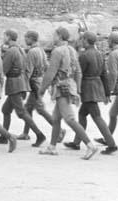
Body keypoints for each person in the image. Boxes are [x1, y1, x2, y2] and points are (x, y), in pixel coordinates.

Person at [38, 27, 97, 159]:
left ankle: (90, 145)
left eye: (54, 35)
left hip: (60, 87)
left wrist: (41, 90)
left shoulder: (57, 51)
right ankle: (52, 147)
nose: (53, 37)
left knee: (69, 119)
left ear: (59, 36)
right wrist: (78, 89)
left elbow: (50, 73)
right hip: (69, 85)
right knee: (56, 119)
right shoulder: (72, 50)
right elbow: (78, 72)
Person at [64, 31, 117, 155]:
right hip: (96, 86)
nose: (81, 41)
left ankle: (111, 144)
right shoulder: (99, 54)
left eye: (82, 39)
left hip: (88, 88)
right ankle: (77, 142)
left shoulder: (84, 55)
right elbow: (104, 74)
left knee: (96, 116)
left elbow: (79, 73)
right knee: (82, 114)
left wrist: (75, 89)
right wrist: (107, 92)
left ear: (86, 40)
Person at [0, 29, 46, 147]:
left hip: (14, 84)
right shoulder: (20, 49)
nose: (3, 38)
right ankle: (4, 136)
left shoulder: (11, 51)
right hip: (19, 82)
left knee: (21, 112)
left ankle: (39, 135)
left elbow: (3, 69)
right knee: (6, 110)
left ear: (9, 37)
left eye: (4, 36)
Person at [17, 30, 58, 142]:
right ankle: (25, 133)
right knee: (28, 108)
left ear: (31, 38)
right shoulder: (41, 50)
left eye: (26, 38)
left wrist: (24, 87)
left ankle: (59, 130)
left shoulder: (31, 52)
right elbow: (46, 66)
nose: (25, 40)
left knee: (40, 109)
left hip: (34, 83)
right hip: (40, 80)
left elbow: (28, 71)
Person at [96, 31, 118, 146]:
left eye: (108, 40)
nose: (107, 42)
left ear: (112, 41)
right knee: (113, 114)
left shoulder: (113, 54)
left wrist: (109, 90)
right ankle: (108, 138)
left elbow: (113, 74)